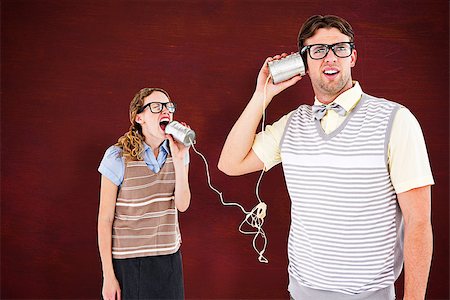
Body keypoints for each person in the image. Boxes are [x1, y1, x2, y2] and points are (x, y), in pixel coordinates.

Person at [218, 15, 434, 300]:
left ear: (352, 57)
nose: (330, 58)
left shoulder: (395, 120)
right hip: (301, 291)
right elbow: (229, 163)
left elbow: (418, 222)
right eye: (318, 51)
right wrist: (262, 95)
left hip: (369, 295)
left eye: (339, 48)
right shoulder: (292, 124)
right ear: (304, 64)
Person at [97, 87, 191, 300]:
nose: (165, 111)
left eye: (168, 106)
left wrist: (179, 158)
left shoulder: (179, 154)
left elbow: (183, 205)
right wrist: (108, 276)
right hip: (129, 262)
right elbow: (105, 219)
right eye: (156, 107)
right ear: (139, 117)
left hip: (169, 260)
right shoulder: (116, 157)